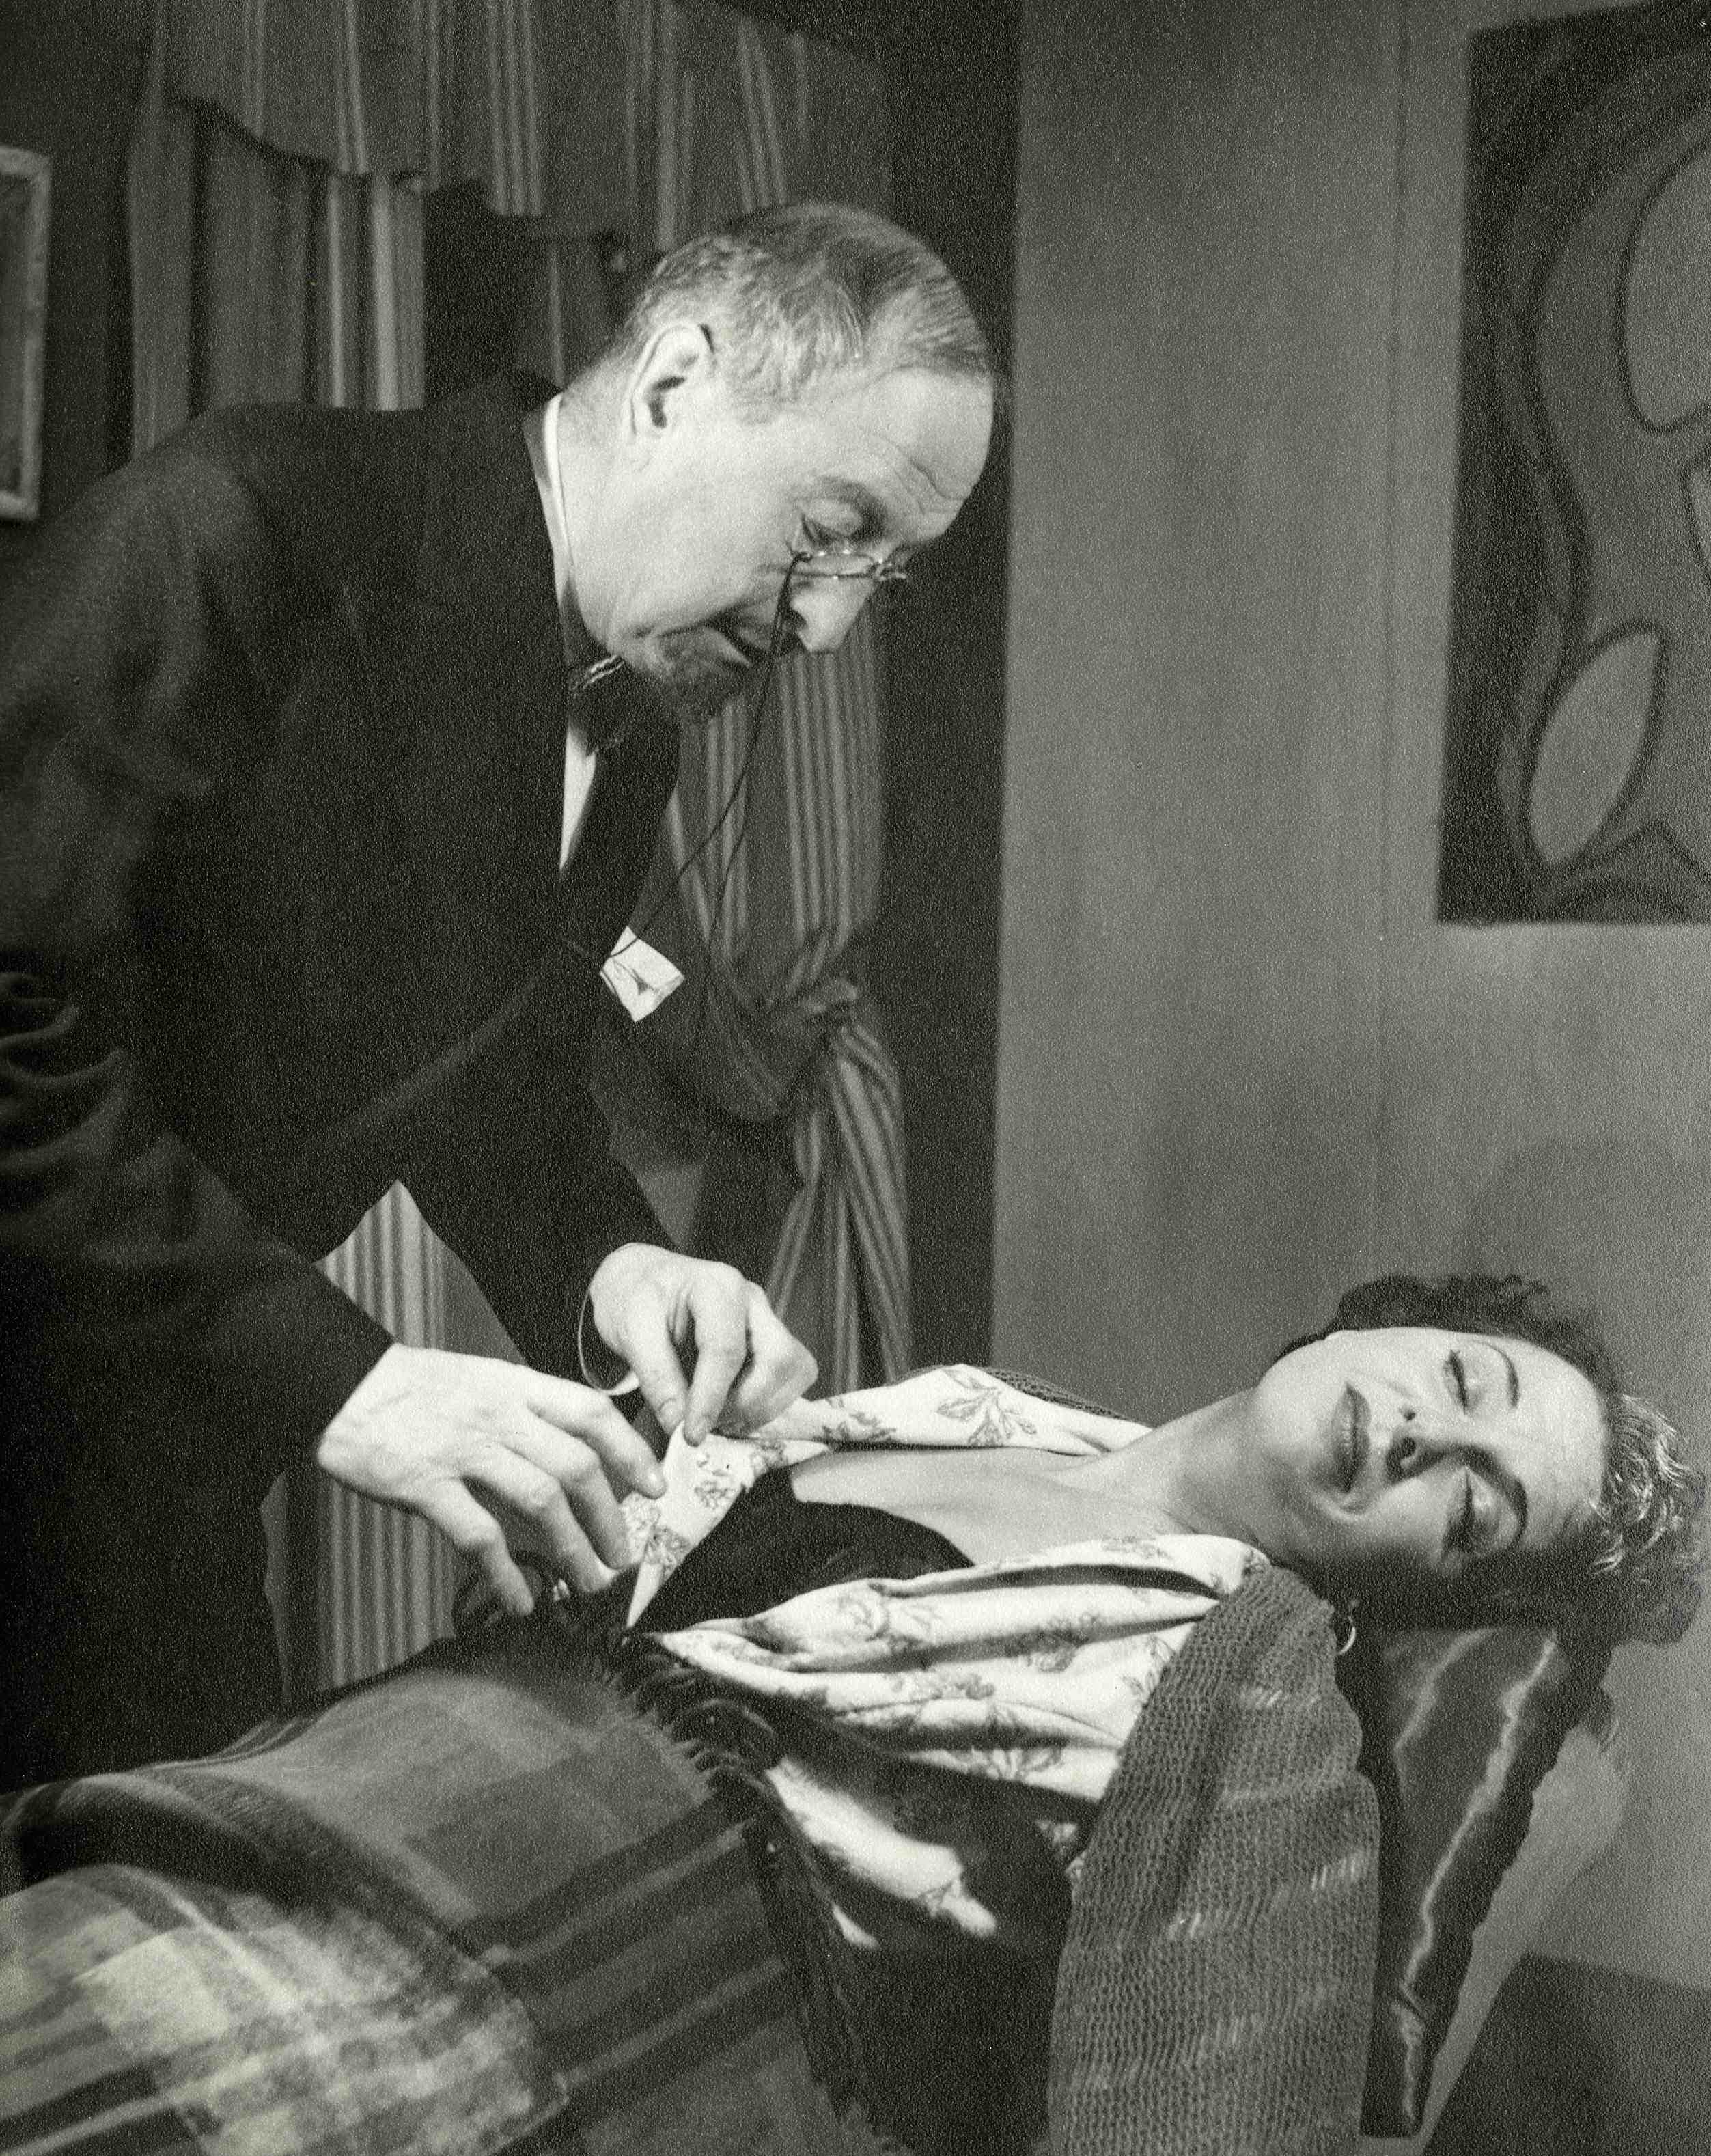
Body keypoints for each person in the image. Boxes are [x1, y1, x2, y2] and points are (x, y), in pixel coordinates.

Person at [0, 1270, 1705, 2156]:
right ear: (1385, 1317)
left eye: (1470, 1509)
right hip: (357, 1798)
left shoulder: (1267, 1710)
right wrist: (631, 1322)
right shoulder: (987, 1409)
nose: (1422, 1432)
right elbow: (623, 1591)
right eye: (1462, 1378)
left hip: (557, 2007)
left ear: (1419, 1599)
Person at [0, 202, 1001, 1790]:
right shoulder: (231, 526)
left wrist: (610, 1264)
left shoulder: (631, 715)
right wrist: (347, 1379)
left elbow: (486, 1076)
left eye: (882, 572)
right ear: (673, 383)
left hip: (150, 1495)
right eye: (828, 530)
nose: (824, 626)